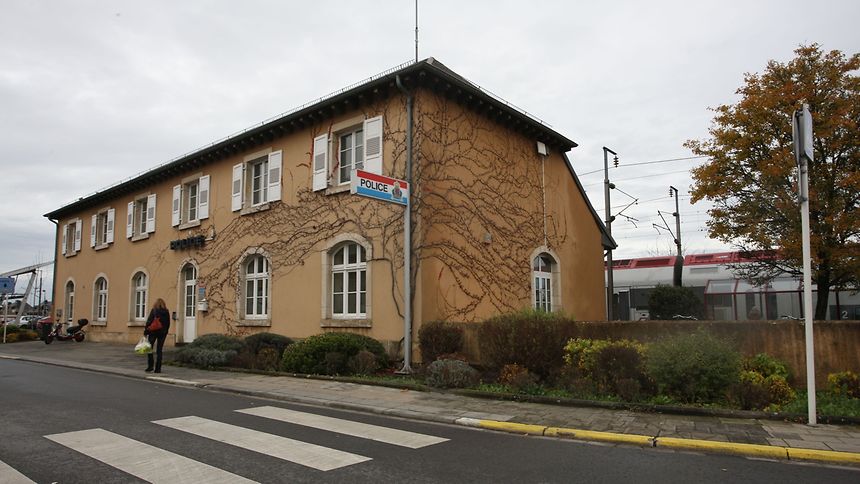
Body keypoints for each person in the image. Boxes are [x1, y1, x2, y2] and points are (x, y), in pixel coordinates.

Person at [144, 298, 171, 373]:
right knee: (159, 350)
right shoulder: (166, 312)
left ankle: (150, 366)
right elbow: (168, 323)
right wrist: (165, 331)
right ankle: (158, 368)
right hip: (162, 333)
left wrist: (146, 331)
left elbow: (149, 321)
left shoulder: (154, 311)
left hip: (153, 332)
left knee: (149, 348)